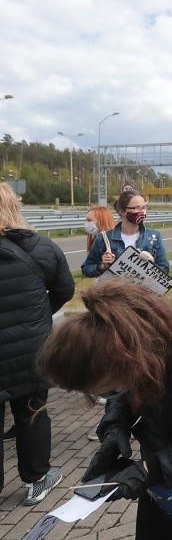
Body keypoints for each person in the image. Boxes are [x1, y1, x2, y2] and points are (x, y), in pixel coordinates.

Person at [37, 277, 172, 540]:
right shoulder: (128, 351)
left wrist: (149, 470)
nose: (107, 396)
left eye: (106, 390)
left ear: (123, 361)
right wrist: (114, 429)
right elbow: (124, 391)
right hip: (163, 458)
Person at [0, 182, 74, 506]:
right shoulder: (43, 247)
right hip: (31, 350)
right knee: (32, 414)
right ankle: (36, 480)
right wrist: (38, 318)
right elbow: (65, 290)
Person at [82, 204, 118, 441]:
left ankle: (112, 421)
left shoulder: (112, 242)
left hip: (113, 306)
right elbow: (87, 269)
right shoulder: (95, 242)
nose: (86, 223)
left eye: (90, 219)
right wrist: (100, 265)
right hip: (100, 303)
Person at [81, 190, 169, 277]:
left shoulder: (154, 237)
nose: (142, 212)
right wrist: (103, 266)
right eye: (137, 208)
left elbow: (164, 269)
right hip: (115, 290)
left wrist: (149, 265)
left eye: (144, 207)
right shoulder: (104, 238)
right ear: (122, 211)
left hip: (143, 290)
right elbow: (86, 268)